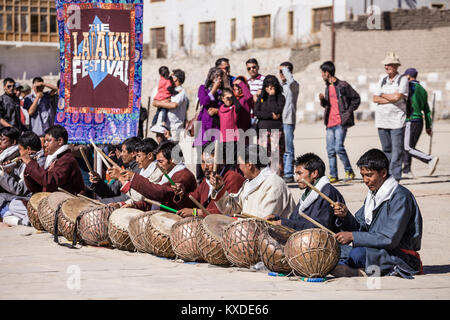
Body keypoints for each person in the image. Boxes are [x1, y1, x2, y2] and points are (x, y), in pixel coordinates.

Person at [332, 149, 423, 278]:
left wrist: (353, 236)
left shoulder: (401, 197)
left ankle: (355, 269)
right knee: (336, 249)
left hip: (400, 255)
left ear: (384, 173)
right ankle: (349, 266)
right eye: (363, 175)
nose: (365, 180)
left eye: (369, 175)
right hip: (375, 249)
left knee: (357, 254)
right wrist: (345, 216)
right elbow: (360, 227)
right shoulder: (373, 195)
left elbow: (389, 239)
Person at [265, 153, 345, 232]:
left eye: (300, 174)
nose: (297, 179)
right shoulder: (308, 193)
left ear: (314, 173)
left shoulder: (328, 192)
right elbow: (295, 220)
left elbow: (321, 227)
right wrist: (277, 219)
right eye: (296, 174)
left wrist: (284, 223)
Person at [210, 144, 295, 219]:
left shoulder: (274, 184)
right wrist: (219, 188)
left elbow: (265, 221)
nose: (239, 167)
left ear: (249, 165)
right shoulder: (248, 183)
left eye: (240, 164)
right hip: (249, 232)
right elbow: (232, 207)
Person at [120, 140, 197, 211]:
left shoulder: (184, 175)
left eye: (161, 161)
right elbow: (152, 201)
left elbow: (160, 193)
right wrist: (134, 206)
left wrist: (134, 178)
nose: (158, 165)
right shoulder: (166, 174)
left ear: (173, 160)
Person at [173, 141, 245, 217]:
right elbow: (193, 202)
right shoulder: (206, 180)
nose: (205, 166)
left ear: (222, 162)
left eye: (209, 162)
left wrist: (196, 212)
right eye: (203, 162)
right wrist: (182, 194)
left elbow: (228, 211)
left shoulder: (232, 178)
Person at [319, 61, 360, 183]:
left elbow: (356, 98)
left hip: (341, 122)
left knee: (338, 147)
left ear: (327, 72)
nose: (321, 75)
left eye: (322, 72)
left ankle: (349, 171)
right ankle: (333, 175)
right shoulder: (327, 87)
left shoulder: (343, 85)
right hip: (330, 123)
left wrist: (347, 113)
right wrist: (322, 101)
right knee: (330, 150)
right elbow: (327, 105)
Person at [373, 52, 409, 181]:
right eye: (385, 65)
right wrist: (391, 98)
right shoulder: (382, 79)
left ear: (396, 66)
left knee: (397, 151)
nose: (386, 66)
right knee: (386, 151)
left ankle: (395, 177)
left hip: (397, 121)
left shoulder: (402, 79)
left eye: (389, 64)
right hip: (382, 121)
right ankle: (387, 176)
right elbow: (375, 98)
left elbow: (398, 97)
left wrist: (383, 95)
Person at [0, 131, 46, 226]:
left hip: (32, 199)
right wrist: (9, 172)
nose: (19, 153)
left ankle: (15, 219)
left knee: (10, 203)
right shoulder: (26, 161)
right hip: (23, 197)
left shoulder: (39, 162)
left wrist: (2, 175)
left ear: (28, 149)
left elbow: (19, 190)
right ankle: (10, 217)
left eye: (20, 150)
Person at [22, 125, 84, 194]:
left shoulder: (67, 160)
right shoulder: (53, 159)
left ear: (60, 141)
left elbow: (51, 182)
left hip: (68, 202)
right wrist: (29, 168)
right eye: (45, 141)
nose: (45, 145)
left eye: (48, 141)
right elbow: (36, 188)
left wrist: (30, 164)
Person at [401, 68, 439, 178]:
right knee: (409, 146)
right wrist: (428, 126)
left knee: (407, 147)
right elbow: (427, 110)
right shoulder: (422, 90)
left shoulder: (409, 87)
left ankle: (429, 159)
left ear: (408, 76)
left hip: (411, 120)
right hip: (419, 122)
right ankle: (407, 170)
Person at [194, 67, 227, 182]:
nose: (219, 79)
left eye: (220, 76)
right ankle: (200, 180)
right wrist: (213, 89)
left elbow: (226, 105)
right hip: (203, 125)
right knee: (201, 153)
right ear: (211, 77)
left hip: (216, 126)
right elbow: (204, 101)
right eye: (216, 76)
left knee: (214, 152)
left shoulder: (223, 92)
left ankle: (214, 177)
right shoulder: (203, 88)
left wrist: (217, 110)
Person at [112, 138, 163, 207]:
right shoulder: (143, 170)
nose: (136, 160)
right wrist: (120, 204)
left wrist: (121, 178)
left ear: (150, 156)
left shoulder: (158, 172)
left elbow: (139, 197)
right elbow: (135, 198)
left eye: (139, 156)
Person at [88, 136, 141, 204]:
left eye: (124, 151)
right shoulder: (128, 169)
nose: (121, 154)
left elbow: (129, 198)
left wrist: (102, 202)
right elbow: (111, 191)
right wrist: (98, 181)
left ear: (133, 153)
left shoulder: (139, 171)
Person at [254, 75, 285, 175]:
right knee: (263, 155)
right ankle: (264, 176)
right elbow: (256, 112)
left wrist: (272, 96)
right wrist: (270, 115)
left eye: (272, 87)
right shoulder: (261, 98)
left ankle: (276, 177)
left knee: (275, 156)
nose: (269, 89)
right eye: (267, 87)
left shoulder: (280, 97)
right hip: (263, 130)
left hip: (275, 130)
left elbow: (277, 110)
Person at [152, 69, 188, 143]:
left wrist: (161, 103)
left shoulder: (181, 92)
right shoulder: (165, 89)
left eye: (171, 76)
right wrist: (164, 102)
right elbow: (154, 102)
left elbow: (174, 105)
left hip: (174, 128)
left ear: (175, 79)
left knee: (172, 149)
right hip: (162, 127)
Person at [279, 61, 300, 183]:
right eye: (280, 72)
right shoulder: (280, 86)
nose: (281, 74)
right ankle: (280, 171)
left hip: (288, 121)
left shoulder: (294, 86)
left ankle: (288, 173)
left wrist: (285, 70)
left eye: (283, 71)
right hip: (278, 121)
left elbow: (291, 80)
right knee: (278, 149)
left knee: (288, 149)